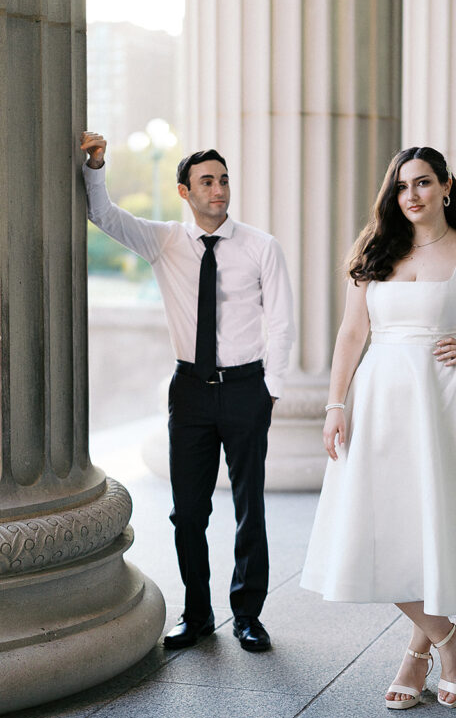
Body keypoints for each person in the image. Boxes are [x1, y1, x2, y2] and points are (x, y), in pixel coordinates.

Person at [301, 146, 456, 709]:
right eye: (401, 187)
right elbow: (349, 333)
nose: (410, 196)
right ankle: (447, 640)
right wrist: (334, 406)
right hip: (380, 400)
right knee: (378, 530)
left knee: (430, 526)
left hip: (446, 402)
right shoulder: (375, 249)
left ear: (445, 186)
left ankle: (418, 654)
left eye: (422, 183)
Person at [80, 132, 295, 653]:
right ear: (184, 191)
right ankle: (197, 613)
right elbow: (105, 215)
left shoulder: (262, 246)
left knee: (250, 507)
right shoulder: (164, 240)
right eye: (206, 181)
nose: (218, 189)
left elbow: (283, 323)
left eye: (223, 180)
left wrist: (271, 392)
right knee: (188, 511)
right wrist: (96, 165)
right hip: (191, 392)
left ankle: (248, 616)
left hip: (246, 388)